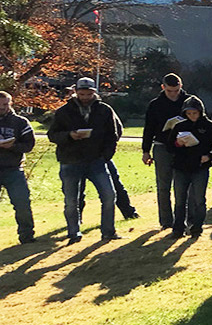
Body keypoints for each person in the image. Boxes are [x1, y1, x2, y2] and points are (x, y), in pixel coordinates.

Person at [48, 77, 122, 243]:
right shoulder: (63, 111)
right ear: (76, 93)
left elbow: (113, 134)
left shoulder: (104, 110)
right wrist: (69, 135)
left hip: (96, 160)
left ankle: (108, 231)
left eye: (89, 94)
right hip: (70, 160)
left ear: (94, 92)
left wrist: (106, 155)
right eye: (82, 94)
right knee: (71, 200)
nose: (85, 97)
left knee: (109, 196)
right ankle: (74, 233)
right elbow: (52, 135)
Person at [166, 96, 212, 238]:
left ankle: (196, 228)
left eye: (194, 113)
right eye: (188, 114)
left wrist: (209, 156)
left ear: (200, 112)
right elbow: (169, 147)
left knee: (199, 200)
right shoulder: (180, 126)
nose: (192, 116)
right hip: (181, 167)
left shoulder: (211, 127)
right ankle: (177, 229)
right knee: (179, 199)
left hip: (200, 167)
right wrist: (178, 144)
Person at [142, 73, 190, 231]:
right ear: (163, 88)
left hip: (183, 146)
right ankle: (166, 221)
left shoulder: (188, 101)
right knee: (163, 185)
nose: (174, 94)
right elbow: (148, 128)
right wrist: (146, 151)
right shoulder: (155, 104)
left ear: (181, 87)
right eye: (170, 91)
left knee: (182, 184)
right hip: (162, 145)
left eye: (176, 90)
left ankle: (182, 218)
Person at [0, 91, 37, 244]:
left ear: (10, 104)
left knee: (22, 203)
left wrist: (13, 146)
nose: (2, 107)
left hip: (13, 169)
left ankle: (27, 235)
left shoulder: (20, 122)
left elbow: (29, 144)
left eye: (5, 104)